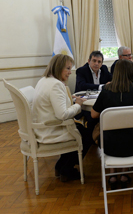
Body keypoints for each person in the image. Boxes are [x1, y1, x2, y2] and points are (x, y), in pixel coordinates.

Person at [91, 59, 133, 190]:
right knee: (128, 132)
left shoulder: (106, 91)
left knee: (113, 133)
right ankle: (124, 174)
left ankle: (113, 175)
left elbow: (93, 115)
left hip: (109, 146)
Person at [32, 54, 94, 182]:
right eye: (68, 69)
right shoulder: (56, 85)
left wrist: (70, 99)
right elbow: (63, 115)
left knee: (81, 128)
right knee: (88, 133)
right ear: (59, 67)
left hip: (43, 126)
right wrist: (78, 105)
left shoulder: (44, 80)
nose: (70, 73)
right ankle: (67, 169)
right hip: (53, 129)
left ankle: (61, 166)